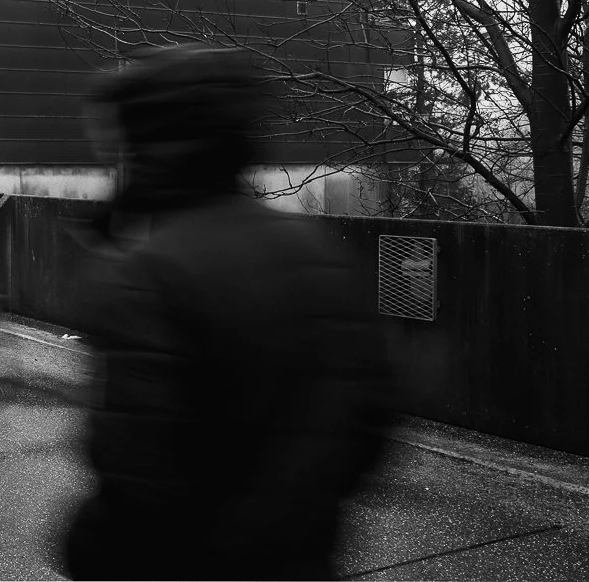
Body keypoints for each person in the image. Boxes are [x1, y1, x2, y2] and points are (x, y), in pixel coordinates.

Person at [63, 45, 392, 580]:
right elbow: (369, 422)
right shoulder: (316, 250)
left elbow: (137, 479)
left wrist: (84, 546)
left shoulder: (149, 273)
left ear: (147, 146)